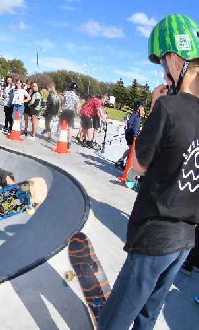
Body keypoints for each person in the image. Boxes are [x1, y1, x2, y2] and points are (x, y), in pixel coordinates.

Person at [97, 14, 199, 330]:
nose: (163, 71)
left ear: (174, 57)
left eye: (163, 62)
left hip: (155, 233)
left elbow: (138, 164)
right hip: (187, 238)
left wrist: (156, 109)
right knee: (148, 313)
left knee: (117, 316)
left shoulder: (168, 108)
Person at [58, 82, 81, 150]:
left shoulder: (65, 93)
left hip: (64, 111)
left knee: (62, 126)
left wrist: (60, 108)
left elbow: (61, 101)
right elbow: (78, 105)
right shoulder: (76, 96)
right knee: (70, 127)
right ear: (75, 89)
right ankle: (69, 141)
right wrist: (77, 112)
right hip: (71, 112)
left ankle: (61, 138)